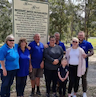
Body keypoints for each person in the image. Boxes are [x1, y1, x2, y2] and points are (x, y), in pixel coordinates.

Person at [78, 31, 94, 97]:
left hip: (84, 64)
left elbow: (92, 52)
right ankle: (75, 91)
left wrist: (87, 55)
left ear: (84, 36)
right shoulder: (75, 42)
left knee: (83, 78)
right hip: (76, 64)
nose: (80, 36)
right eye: (79, 35)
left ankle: (84, 92)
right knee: (76, 78)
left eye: (81, 35)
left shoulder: (87, 43)